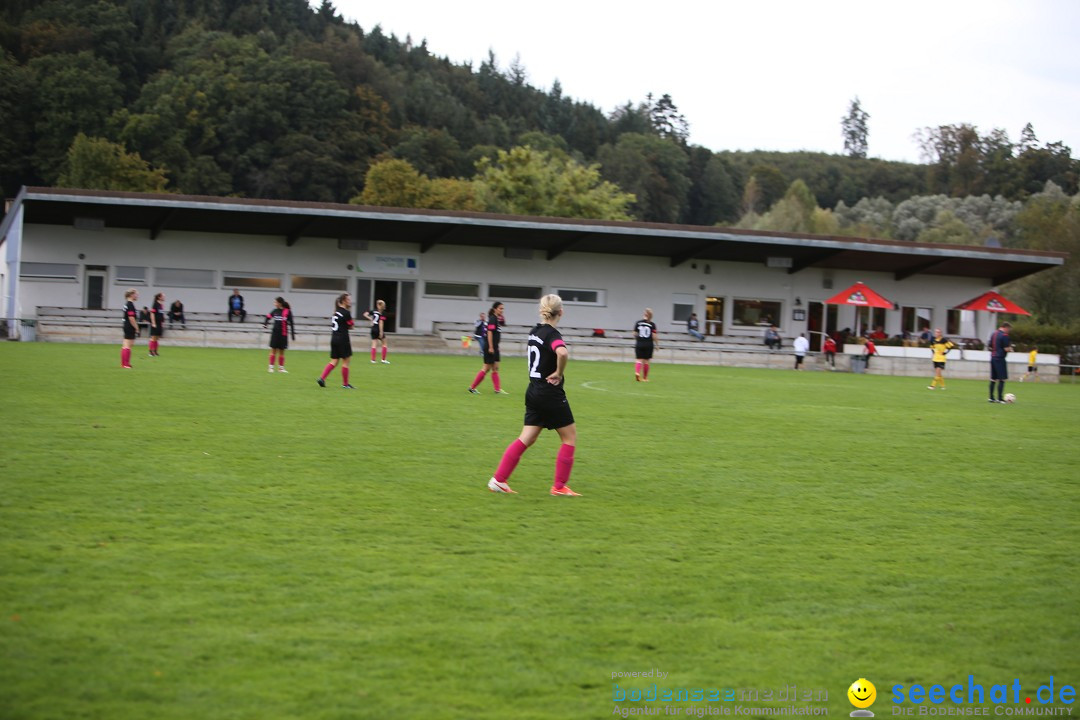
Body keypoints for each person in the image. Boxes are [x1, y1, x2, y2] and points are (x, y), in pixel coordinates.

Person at [486, 294, 580, 497]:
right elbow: (562, 353)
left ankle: (498, 480)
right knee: (569, 437)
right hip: (549, 392)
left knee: (526, 438)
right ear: (561, 312)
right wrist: (559, 372)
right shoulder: (552, 334)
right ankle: (559, 486)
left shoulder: (534, 331)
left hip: (533, 390)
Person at [316, 293, 355, 389]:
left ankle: (322, 378)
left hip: (334, 338)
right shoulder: (346, 313)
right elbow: (351, 325)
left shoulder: (336, 312)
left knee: (334, 361)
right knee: (346, 361)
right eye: (349, 300)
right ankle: (345, 384)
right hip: (343, 339)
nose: (350, 301)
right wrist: (347, 326)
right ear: (344, 301)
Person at [469, 301, 508, 394]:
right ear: (495, 309)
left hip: (495, 347)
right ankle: (472, 388)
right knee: (486, 368)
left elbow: (503, 324)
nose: (502, 310)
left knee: (495, 368)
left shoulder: (496, 319)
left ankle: (497, 390)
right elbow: (489, 333)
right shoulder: (492, 319)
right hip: (491, 347)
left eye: (503, 308)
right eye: (500, 308)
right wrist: (491, 347)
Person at [264, 297, 295, 373]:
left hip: (283, 334)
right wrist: (265, 324)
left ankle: (281, 369)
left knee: (282, 352)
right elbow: (268, 317)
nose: (274, 304)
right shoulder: (275, 311)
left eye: (275, 302)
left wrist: (293, 334)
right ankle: (271, 367)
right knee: (273, 350)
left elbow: (291, 323)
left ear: (280, 303)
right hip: (275, 334)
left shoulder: (287, 311)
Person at [987, 321, 1014, 403]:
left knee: (993, 379)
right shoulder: (1005, 336)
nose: (1008, 331)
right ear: (1006, 327)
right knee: (1002, 379)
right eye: (1008, 329)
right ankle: (1000, 398)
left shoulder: (993, 334)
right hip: (1000, 358)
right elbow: (1006, 349)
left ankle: (991, 398)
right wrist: (1011, 349)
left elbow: (990, 347)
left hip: (993, 358)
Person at [633, 308, 658, 381]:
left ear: (644, 314)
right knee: (646, 361)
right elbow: (654, 336)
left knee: (638, 360)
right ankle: (645, 378)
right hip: (649, 344)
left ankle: (637, 372)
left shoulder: (638, 323)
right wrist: (657, 345)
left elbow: (634, 333)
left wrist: (638, 339)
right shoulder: (652, 324)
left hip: (639, 343)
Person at [364, 299, 390, 364]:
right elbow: (381, 322)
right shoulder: (383, 313)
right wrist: (381, 332)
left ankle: (373, 360)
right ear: (383, 306)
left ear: (377, 305)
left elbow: (365, 314)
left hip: (373, 329)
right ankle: (383, 360)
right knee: (384, 343)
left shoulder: (373, 311)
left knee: (374, 344)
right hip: (378, 329)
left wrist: (371, 319)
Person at [120, 289, 139, 368]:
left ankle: (124, 363)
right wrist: (137, 328)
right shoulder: (130, 304)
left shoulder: (127, 303)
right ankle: (125, 364)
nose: (137, 296)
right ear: (132, 295)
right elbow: (131, 318)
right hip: (129, 325)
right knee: (128, 345)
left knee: (126, 345)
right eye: (136, 294)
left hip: (126, 325)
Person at [148, 292, 165, 357]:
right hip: (155, 323)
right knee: (153, 337)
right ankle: (150, 351)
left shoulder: (161, 305)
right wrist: (153, 323)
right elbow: (152, 313)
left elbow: (161, 314)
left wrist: (162, 322)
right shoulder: (155, 304)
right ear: (159, 297)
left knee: (157, 338)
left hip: (159, 323)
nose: (164, 298)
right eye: (163, 296)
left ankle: (155, 351)